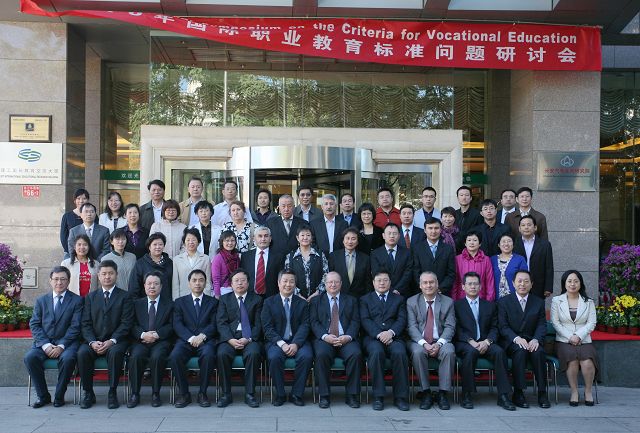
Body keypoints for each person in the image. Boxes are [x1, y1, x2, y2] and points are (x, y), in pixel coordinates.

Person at [453, 272, 516, 411]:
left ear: (480, 286)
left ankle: (504, 395)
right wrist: (470, 341)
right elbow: (456, 328)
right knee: (470, 353)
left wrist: (487, 341)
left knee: (499, 352)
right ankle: (467, 394)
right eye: (469, 284)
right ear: (463, 286)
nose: (473, 286)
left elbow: (495, 327)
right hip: (466, 343)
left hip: (486, 342)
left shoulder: (490, 305)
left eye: (475, 284)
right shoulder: (456, 305)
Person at [24, 266, 83, 408]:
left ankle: (59, 396)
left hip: (67, 344)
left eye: (63, 279)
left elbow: (76, 326)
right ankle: (43, 396)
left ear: (68, 281)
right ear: (50, 281)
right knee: (30, 357)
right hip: (44, 343)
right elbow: (35, 324)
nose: (59, 282)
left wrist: (61, 345)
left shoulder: (77, 301)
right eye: (56, 279)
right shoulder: (41, 300)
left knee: (68, 359)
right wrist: (45, 345)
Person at [77, 260, 134, 409]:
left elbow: (126, 323)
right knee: (82, 353)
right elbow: (85, 323)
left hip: (116, 341)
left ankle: (112, 392)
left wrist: (112, 340)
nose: (107, 277)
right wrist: (92, 342)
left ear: (116, 275)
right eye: (104, 274)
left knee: (115, 353)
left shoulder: (125, 296)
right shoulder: (90, 297)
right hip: (94, 340)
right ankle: (88, 392)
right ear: (98, 275)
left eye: (110, 273)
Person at [497, 270, 550, 409]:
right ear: (513, 283)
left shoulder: (538, 302)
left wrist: (536, 339)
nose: (522, 284)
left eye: (526, 281)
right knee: (520, 351)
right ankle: (518, 393)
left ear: (531, 284)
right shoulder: (503, 302)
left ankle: (542, 393)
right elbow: (503, 326)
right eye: (519, 281)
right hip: (512, 341)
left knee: (539, 352)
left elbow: (541, 324)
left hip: (532, 340)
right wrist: (516, 338)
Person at [309, 272, 362, 409]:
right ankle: (324, 395)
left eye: (336, 282)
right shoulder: (316, 301)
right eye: (330, 282)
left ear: (341, 284)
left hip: (346, 339)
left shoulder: (351, 300)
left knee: (355, 354)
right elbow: (314, 322)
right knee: (321, 354)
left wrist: (348, 337)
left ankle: (352, 395)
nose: (333, 284)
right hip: (325, 339)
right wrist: (325, 336)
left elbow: (355, 321)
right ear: (325, 284)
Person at [260, 270, 313, 406]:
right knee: (274, 357)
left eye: (291, 281)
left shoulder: (302, 303)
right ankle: (280, 394)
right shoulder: (269, 302)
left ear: (295, 284)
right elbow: (267, 327)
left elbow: (305, 325)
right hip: (276, 342)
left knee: (306, 356)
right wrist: (282, 344)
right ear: (278, 283)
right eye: (285, 281)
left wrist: (295, 344)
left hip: (298, 341)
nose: (288, 284)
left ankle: (297, 394)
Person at [359, 270, 409, 411]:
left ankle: (400, 397)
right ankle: (378, 396)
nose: (382, 283)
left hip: (394, 337)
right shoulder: (365, 299)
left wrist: (390, 333)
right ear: (373, 283)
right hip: (373, 338)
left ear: (390, 282)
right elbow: (365, 320)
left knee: (400, 353)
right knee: (376, 352)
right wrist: (379, 334)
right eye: (379, 280)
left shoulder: (399, 299)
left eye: (385, 280)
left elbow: (402, 319)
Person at [406, 271, 456, 410]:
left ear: (437, 284)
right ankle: (426, 392)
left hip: (441, 340)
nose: (428, 285)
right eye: (425, 283)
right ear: (420, 285)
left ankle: (443, 393)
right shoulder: (412, 302)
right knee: (417, 353)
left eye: (431, 282)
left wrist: (439, 343)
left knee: (449, 351)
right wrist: (424, 344)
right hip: (419, 341)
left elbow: (450, 326)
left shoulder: (448, 302)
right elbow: (411, 327)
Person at [169, 269, 218, 408]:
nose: (197, 283)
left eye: (201, 280)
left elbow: (214, 324)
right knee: (175, 356)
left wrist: (202, 336)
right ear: (189, 283)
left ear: (205, 283)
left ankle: (203, 393)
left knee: (209, 355)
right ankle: (184, 393)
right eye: (194, 280)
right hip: (185, 340)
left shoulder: (213, 302)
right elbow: (177, 324)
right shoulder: (179, 302)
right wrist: (191, 338)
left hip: (205, 340)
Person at [215, 269, 263, 408]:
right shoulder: (224, 299)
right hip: (230, 338)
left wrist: (249, 338)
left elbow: (259, 324)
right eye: (236, 281)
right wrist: (229, 339)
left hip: (249, 338)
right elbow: (221, 322)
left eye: (243, 280)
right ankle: (226, 394)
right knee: (222, 354)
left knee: (254, 353)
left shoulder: (257, 299)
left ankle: (250, 394)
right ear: (231, 284)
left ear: (248, 283)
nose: (240, 283)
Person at [550, 270, 598, 407]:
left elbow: (592, 323)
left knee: (587, 362)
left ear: (580, 284)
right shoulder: (556, 301)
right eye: (569, 281)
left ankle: (588, 392)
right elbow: (555, 322)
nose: (572, 284)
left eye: (576, 281)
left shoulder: (588, 302)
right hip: (564, 340)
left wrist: (578, 336)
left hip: (584, 340)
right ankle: (574, 392)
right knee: (571, 360)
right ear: (564, 284)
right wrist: (570, 336)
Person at [126, 271, 174, 408]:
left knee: (157, 357)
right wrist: (143, 335)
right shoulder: (136, 304)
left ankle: (156, 393)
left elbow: (172, 325)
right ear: (144, 285)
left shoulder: (170, 304)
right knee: (135, 357)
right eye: (149, 283)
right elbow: (131, 324)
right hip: (140, 341)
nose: (152, 286)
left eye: (156, 284)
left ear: (161, 286)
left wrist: (157, 335)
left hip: (161, 341)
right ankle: (135, 393)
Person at [412, 217, 456, 297]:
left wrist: (440, 288)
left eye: (436, 228)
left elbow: (451, 273)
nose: (433, 231)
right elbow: (415, 271)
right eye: (430, 228)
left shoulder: (448, 249)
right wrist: (425, 287)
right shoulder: (417, 248)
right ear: (425, 230)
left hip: (443, 293)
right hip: (422, 292)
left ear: (441, 230)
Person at [284, 225, 329, 300]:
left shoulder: (320, 255)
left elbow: (326, 275)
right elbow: (287, 277)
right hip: (296, 298)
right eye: (302, 235)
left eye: (308, 235)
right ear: (297, 238)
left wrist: (317, 293)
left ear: (312, 238)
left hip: (318, 298)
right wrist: (298, 294)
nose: (305, 238)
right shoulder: (290, 257)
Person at [513, 215, 554, 298]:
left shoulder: (545, 245)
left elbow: (549, 267)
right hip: (519, 284)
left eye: (529, 225)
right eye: (523, 225)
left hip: (538, 285)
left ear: (535, 227)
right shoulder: (514, 243)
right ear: (519, 229)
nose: (526, 227)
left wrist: (548, 287)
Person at [240, 226, 284, 297]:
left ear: (270, 238)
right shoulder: (246, 256)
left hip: (271, 296)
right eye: (260, 236)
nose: (263, 239)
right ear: (254, 239)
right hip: (250, 296)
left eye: (266, 236)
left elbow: (281, 277)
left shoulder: (278, 257)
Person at [371, 223, 413, 297]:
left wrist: (397, 289)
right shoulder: (375, 254)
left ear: (399, 236)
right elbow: (376, 273)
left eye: (394, 233)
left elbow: (408, 273)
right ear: (383, 236)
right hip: (383, 293)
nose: (392, 236)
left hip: (403, 293)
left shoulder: (407, 253)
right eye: (389, 233)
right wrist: (388, 290)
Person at [329, 227, 372, 298]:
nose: (350, 242)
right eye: (347, 238)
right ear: (343, 240)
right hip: (338, 297)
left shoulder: (365, 258)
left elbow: (368, 282)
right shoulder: (333, 257)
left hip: (359, 298)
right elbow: (330, 278)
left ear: (357, 241)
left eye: (353, 239)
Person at [452, 230, 495, 301]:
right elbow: (455, 283)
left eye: (475, 240)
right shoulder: (457, 259)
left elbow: (489, 282)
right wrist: (454, 301)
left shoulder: (486, 260)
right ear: (465, 243)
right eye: (469, 240)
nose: (472, 243)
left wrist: (489, 302)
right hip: (462, 299)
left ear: (480, 243)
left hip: (481, 298)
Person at [129, 233, 173, 300]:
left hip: (166, 302)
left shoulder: (169, 262)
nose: (158, 247)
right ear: (149, 247)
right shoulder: (140, 263)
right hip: (146, 303)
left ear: (164, 246)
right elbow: (134, 286)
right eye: (155, 244)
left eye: (160, 244)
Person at [172, 228, 212, 300]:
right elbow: (175, 284)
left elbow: (208, 282)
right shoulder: (176, 260)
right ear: (184, 242)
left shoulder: (205, 259)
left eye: (193, 240)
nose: (191, 242)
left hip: (200, 298)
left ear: (198, 242)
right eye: (188, 240)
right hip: (183, 298)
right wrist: (176, 300)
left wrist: (206, 299)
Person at [491, 233, 528, 299]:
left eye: (509, 241)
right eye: (503, 241)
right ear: (498, 245)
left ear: (513, 244)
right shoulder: (492, 259)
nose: (506, 244)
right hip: (495, 298)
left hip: (515, 298)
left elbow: (524, 278)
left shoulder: (520, 259)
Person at [60, 188, 89, 259]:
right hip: (70, 253)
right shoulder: (67, 216)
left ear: (88, 200)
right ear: (74, 201)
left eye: (84, 198)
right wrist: (71, 251)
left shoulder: (92, 215)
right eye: (78, 198)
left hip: (88, 253)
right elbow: (63, 237)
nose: (81, 201)